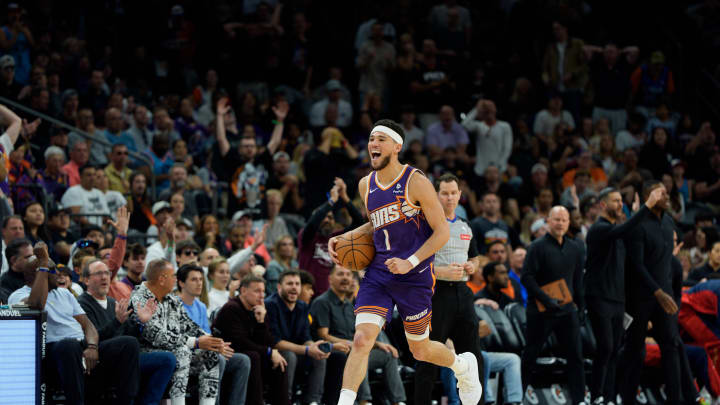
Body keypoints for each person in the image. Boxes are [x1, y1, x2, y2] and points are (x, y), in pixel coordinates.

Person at [327, 119, 482, 405]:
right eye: (371, 139)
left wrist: (411, 261)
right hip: (379, 274)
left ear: (397, 146)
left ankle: (462, 366)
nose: (373, 144)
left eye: (381, 139)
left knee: (420, 350)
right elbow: (376, 225)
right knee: (361, 339)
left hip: (415, 275)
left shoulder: (416, 181)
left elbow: (442, 232)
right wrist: (344, 236)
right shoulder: (365, 185)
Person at [11, 242, 140, 405]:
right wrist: (43, 264)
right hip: (52, 352)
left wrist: (92, 346)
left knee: (128, 344)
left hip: (81, 346)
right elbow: (36, 305)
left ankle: (126, 402)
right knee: (68, 345)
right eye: (51, 270)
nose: (58, 274)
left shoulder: (64, 293)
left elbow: (88, 326)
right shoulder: (18, 295)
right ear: (37, 274)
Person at [584, 187, 663, 405]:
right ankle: (596, 396)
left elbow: (630, 232)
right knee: (606, 347)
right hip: (599, 296)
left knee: (615, 349)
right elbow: (624, 228)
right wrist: (646, 207)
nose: (620, 204)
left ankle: (608, 397)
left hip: (618, 299)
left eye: (622, 201)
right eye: (616, 201)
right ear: (602, 205)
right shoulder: (599, 229)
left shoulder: (618, 230)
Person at [415, 173, 484, 405]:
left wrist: (472, 266)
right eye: (445, 193)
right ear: (436, 195)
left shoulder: (466, 226)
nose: (450, 197)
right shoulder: (425, 224)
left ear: (460, 195)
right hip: (436, 294)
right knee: (427, 358)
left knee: (473, 356)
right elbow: (413, 262)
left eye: (454, 193)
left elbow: (475, 258)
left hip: (463, 294)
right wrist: (441, 271)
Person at [130, 259, 233, 405]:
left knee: (210, 353)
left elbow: (189, 325)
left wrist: (212, 341)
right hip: (146, 352)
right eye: (173, 276)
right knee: (183, 350)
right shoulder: (139, 298)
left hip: (174, 348)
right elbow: (155, 335)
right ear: (161, 279)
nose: (175, 279)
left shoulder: (172, 298)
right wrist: (196, 342)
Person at [77, 259, 177, 405]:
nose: (105, 277)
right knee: (128, 343)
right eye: (99, 273)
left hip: (126, 357)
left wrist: (140, 322)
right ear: (86, 280)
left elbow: (128, 334)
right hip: (99, 360)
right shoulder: (82, 303)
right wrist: (117, 322)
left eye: (107, 273)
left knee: (168, 359)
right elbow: (93, 338)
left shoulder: (113, 302)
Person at [620, 181, 683, 405]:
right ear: (648, 195)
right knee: (635, 350)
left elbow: (667, 263)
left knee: (671, 346)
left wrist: (669, 293)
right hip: (640, 298)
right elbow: (637, 265)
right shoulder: (637, 225)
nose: (666, 196)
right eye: (661, 193)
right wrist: (659, 292)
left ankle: (676, 400)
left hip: (663, 297)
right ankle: (628, 399)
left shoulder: (668, 223)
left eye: (667, 193)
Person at [309, 264, 405, 405]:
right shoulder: (322, 302)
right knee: (360, 354)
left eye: (348, 275)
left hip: (353, 347)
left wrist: (379, 344)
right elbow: (323, 335)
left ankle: (398, 401)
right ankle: (363, 400)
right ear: (330, 279)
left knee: (388, 355)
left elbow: (360, 335)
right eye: (340, 274)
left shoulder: (350, 303)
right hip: (337, 351)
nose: (345, 278)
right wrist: (349, 343)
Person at [520, 206, 585, 405]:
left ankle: (579, 399)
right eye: (556, 219)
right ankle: (517, 396)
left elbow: (577, 282)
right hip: (540, 311)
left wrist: (580, 308)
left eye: (564, 220)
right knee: (531, 354)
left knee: (576, 356)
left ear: (568, 223)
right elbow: (527, 278)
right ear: (548, 221)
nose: (560, 224)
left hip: (566, 311)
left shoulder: (575, 247)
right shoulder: (537, 246)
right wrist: (546, 300)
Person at [213, 274, 290, 405]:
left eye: (263, 291)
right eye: (257, 291)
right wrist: (269, 351)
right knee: (254, 356)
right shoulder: (231, 308)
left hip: (249, 352)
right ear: (243, 291)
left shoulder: (259, 309)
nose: (261, 296)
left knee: (279, 360)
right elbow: (239, 342)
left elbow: (269, 342)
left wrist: (261, 322)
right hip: (227, 353)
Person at [266, 270, 331, 405]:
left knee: (319, 356)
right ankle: (286, 399)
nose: (294, 287)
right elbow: (275, 342)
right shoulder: (270, 305)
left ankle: (313, 401)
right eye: (289, 283)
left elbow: (305, 337)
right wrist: (307, 350)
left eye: (297, 284)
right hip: (273, 354)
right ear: (279, 287)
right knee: (289, 356)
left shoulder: (302, 306)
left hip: (297, 352)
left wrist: (313, 346)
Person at [462, 99, 513, 175]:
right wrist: (477, 109)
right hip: (480, 169)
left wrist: (499, 165)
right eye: (486, 109)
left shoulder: (504, 126)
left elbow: (507, 148)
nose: (488, 110)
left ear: (495, 110)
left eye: (491, 108)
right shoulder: (478, 126)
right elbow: (464, 125)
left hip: (499, 168)